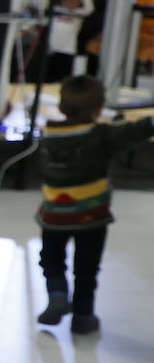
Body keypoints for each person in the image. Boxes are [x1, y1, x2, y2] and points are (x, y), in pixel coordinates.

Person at [34, 75, 153, 335]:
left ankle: (57, 295)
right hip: (91, 215)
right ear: (99, 109)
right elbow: (135, 131)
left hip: (54, 215)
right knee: (86, 268)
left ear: (62, 106)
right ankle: (83, 317)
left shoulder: (48, 135)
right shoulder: (102, 136)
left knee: (51, 259)